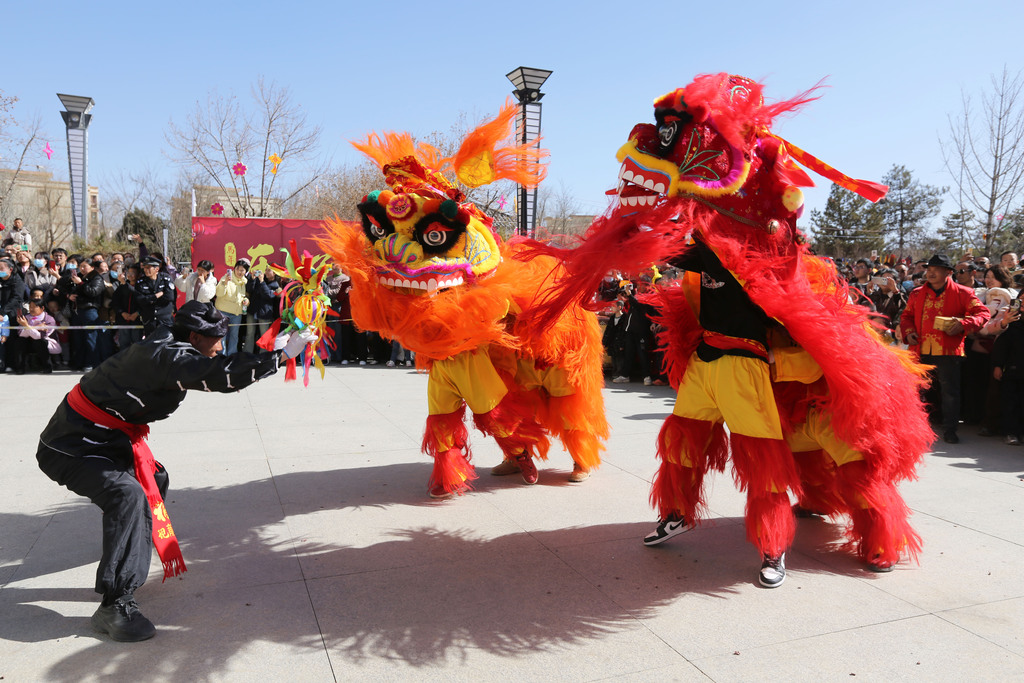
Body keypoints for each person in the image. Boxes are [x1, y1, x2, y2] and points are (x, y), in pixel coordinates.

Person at [35, 301, 310, 642]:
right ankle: (114, 603)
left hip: (108, 439)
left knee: (156, 478)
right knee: (128, 494)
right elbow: (221, 376)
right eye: (215, 340)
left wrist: (284, 333)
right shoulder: (165, 355)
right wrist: (279, 358)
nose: (221, 346)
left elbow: (203, 350)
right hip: (71, 446)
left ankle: (130, 544)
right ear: (194, 337)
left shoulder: (171, 336)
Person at [900, 254, 991, 444]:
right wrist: (909, 332)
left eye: (935, 270)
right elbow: (906, 316)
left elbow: (983, 313)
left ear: (948, 273)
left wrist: (963, 324)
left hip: (948, 351)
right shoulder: (916, 293)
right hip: (920, 348)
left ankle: (950, 429)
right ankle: (913, 427)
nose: (930, 273)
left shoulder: (963, 293)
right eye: (929, 270)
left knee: (950, 392)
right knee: (916, 390)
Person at [214, 260, 250, 356]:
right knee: (222, 335)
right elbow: (218, 293)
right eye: (238, 269)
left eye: (242, 270)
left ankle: (232, 355)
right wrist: (225, 283)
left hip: (236, 313)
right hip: (223, 311)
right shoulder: (226, 278)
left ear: (245, 271)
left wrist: (246, 300)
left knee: (234, 335)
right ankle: (222, 355)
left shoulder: (244, 282)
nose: (239, 272)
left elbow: (242, 296)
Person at [134, 255, 176, 335]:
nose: (146, 270)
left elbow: (169, 297)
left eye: (149, 268)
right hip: (150, 320)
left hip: (164, 319)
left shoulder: (166, 279)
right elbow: (140, 300)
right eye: (145, 268)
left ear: (157, 269)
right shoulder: (140, 282)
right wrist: (155, 296)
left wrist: (150, 300)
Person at [0, 257, 26, 372]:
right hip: (1, 312)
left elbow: (16, 298)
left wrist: (3, 312)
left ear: (10, 269)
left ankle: (14, 364)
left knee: (13, 340)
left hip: (13, 313)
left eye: (1, 268)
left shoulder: (17, 281)